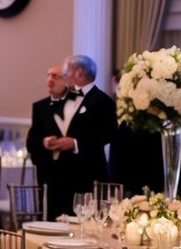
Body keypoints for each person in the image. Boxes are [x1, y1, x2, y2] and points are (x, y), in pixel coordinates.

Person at [45, 54, 117, 213]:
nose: (64, 75)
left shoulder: (102, 101)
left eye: (67, 71)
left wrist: (75, 142)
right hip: (63, 174)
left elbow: (108, 134)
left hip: (87, 173)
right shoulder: (64, 98)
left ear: (78, 72)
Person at [26, 64, 74, 220]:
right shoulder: (39, 107)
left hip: (72, 174)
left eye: (55, 76)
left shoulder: (76, 104)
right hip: (48, 175)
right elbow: (31, 141)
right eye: (48, 75)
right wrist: (45, 142)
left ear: (66, 80)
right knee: (48, 218)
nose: (49, 80)